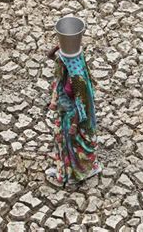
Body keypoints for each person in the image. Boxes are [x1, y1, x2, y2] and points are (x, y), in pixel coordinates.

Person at [45, 45, 101, 187]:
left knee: (74, 146)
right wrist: (61, 45)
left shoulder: (77, 79)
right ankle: (64, 171)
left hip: (74, 117)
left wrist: (75, 125)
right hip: (64, 113)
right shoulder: (65, 69)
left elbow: (81, 105)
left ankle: (77, 173)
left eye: (64, 60)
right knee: (62, 142)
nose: (60, 62)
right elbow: (50, 55)